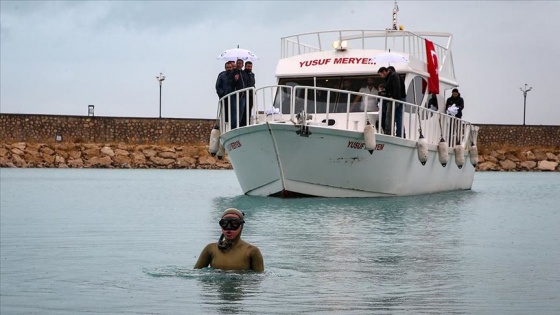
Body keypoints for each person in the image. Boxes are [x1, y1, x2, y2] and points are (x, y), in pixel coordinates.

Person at [194, 208, 264, 272]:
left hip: (241, 286)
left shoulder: (252, 251)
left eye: (234, 224)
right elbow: (195, 274)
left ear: (241, 226)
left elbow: (258, 280)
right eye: (224, 223)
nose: (229, 229)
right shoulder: (210, 249)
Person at [377, 67, 401, 136]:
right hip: (389, 99)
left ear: (384, 71)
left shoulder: (393, 76)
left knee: (389, 115)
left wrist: (393, 97)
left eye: (381, 74)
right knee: (388, 115)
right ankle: (388, 131)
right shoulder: (388, 77)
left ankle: (388, 132)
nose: (381, 76)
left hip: (393, 99)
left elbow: (396, 87)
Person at [227, 59, 249, 129]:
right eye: (238, 63)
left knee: (241, 110)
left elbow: (246, 83)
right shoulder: (233, 73)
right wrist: (235, 79)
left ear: (242, 65)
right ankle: (233, 126)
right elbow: (229, 83)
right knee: (234, 111)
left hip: (242, 95)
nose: (239, 65)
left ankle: (238, 124)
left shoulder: (244, 73)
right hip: (234, 94)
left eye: (240, 63)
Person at [388, 66, 406, 137]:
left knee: (398, 116)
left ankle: (399, 133)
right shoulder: (397, 76)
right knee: (398, 116)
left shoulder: (395, 76)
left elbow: (397, 89)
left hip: (400, 98)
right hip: (401, 98)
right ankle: (401, 132)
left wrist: (394, 97)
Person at [240, 61, 256, 126]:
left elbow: (253, 83)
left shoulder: (252, 74)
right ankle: (242, 124)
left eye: (251, 66)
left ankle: (247, 123)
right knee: (243, 111)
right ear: (245, 66)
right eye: (248, 66)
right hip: (244, 95)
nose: (249, 68)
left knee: (249, 110)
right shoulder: (242, 73)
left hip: (251, 95)